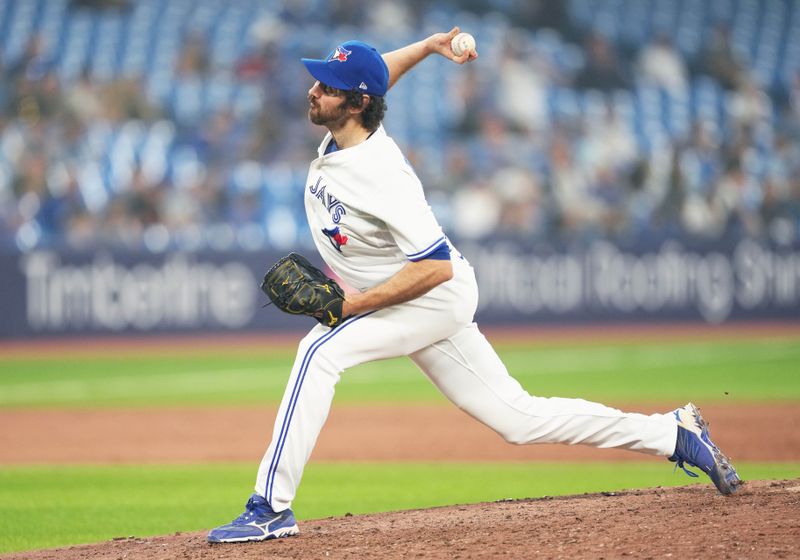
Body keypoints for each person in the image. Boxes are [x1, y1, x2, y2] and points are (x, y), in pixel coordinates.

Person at [207, 28, 741, 544]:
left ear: (355, 105)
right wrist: (427, 46)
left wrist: (353, 304)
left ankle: (269, 508)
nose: (313, 89)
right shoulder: (349, 125)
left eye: (326, 86)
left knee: (318, 353)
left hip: (431, 296)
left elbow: (435, 266)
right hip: (426, 298)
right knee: (518, 418)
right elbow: (378, 73)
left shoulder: (383, 173)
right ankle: (673, 433)